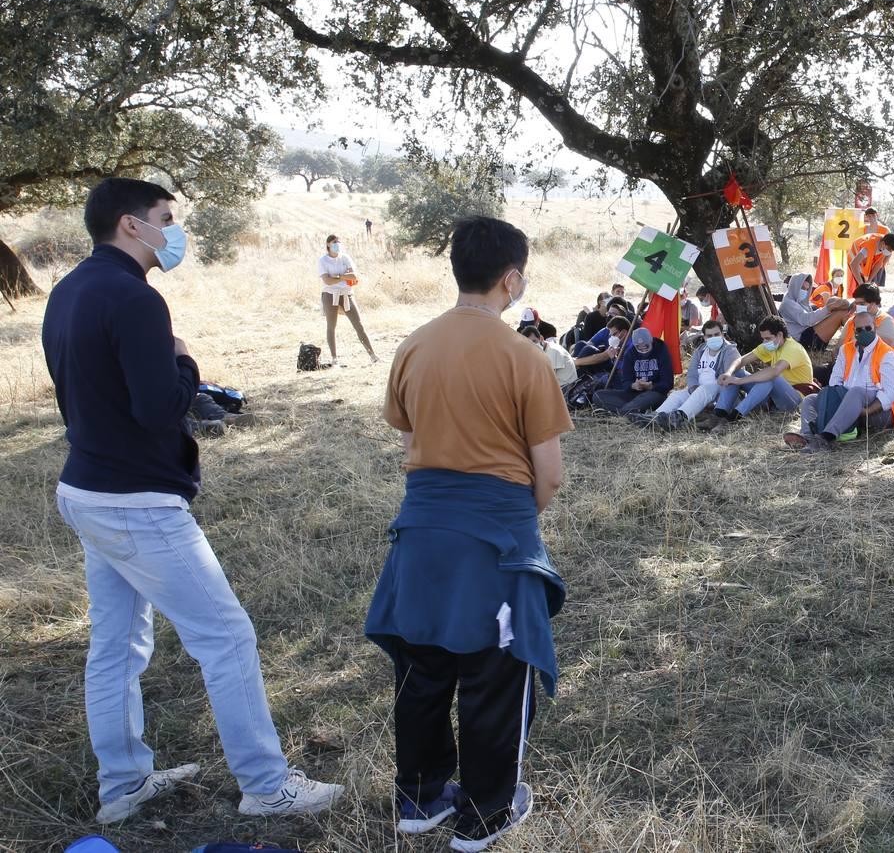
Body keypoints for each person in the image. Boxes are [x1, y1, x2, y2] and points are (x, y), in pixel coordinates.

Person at [42, 177, 342, 825]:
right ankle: (266, 785)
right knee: (226, 634)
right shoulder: (136, 299)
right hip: (136, 499)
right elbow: (161, 407)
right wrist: (185, 362)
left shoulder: (66, 292)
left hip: (86, 488)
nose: (173, 232)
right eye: (165, 218)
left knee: (116, 646)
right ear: (130, 224)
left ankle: (123, 786)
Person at [370, 216, 570, 851]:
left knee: (422, 665)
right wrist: (512, 519)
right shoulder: (524, 357)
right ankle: (486, 815)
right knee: (495, 673)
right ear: (511, 280)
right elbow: (551, 475)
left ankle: (420, 800)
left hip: (421, 530)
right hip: (495, 538)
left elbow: (411, 445)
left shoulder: (413, 345)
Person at [783, 310, 894, 451]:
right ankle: (806, 437)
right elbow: (835, 380)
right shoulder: (846, 349)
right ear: (854, 331)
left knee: (855, 392)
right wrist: (837, 401)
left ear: (875, 327)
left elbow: (890, 394)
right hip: (848, 401)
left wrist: (866, 411)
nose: (864, 332)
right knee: (811, 399)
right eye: (859, 329)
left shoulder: (887, 354)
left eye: (868, 328)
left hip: (882, 410)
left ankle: (826, 438)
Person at [710, 316, 815, 427]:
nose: (764, 342)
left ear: (780, 335)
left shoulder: (793, 348)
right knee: (736, 372)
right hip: (772, 397)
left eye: (768, 338)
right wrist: (728, 373)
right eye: (763, 338)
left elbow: (774, 371)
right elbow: (741, 360)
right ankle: (719, 414)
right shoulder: (774, 344)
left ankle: (735, 416)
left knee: (771, 376)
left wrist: (740, 381)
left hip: (793, 400)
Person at [644, 320, 740, 428]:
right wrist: (693, 389)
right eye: (709, 335)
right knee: (677, 395)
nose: (713, 338)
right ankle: (653, 417)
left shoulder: (730, 351)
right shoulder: (701, 350)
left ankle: (679, 417)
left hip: (719, 391)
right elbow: (692, 374)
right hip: (700, 390)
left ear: (722, 334)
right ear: (704, 337)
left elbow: (728, 378)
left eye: (716, 334)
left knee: (704, 390)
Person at [318, 233, 379, 365]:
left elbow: (354, 276)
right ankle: (334, 359)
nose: (337, 244)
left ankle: (373, 355)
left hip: (347, 294)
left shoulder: (345, 258)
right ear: (328, 244)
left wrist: (338, 276)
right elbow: (327, 281)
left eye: (338, 242)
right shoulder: (323, 260)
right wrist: (343, 277)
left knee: (358, 325)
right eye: (334, 242)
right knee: (331, 326)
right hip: (330, 295)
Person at [595, 327, 673, 414]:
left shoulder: (661, 350)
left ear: (651, 341)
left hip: (654, 393)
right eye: (639, 348)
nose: (643, 350)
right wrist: (633, 385)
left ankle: (626, 411)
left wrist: (651, 386)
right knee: (598, 396)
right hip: (634, 394)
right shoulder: (630, 354)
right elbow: (625, 381)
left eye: (646, 347)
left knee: (651, 397)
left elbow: (668, 383)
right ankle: (633, 411)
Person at [780, 273, 848, 351]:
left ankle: (849, 346)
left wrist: (830, 309)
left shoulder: (799, 301)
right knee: (841, 314)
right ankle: (843, 350)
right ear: (794, 286)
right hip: (803, 341)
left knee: (839, 309)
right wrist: (827, 309)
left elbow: (810, 319)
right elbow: (806, 320)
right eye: (802, 288)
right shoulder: (788, 303)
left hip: (807, 335)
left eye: (806, 289)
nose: (804, 291)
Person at [849, 227, 894, 292]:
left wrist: (869, 280)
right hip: (853, 259)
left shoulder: (884, 247)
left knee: (868, 286)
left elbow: (878, 264)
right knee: (861, 287)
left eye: (891, 251)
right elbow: (853, 264)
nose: (890, 252)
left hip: (863, 262)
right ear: (883, 243)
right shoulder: (868, 247)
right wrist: (861, 283)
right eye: (889, 249)